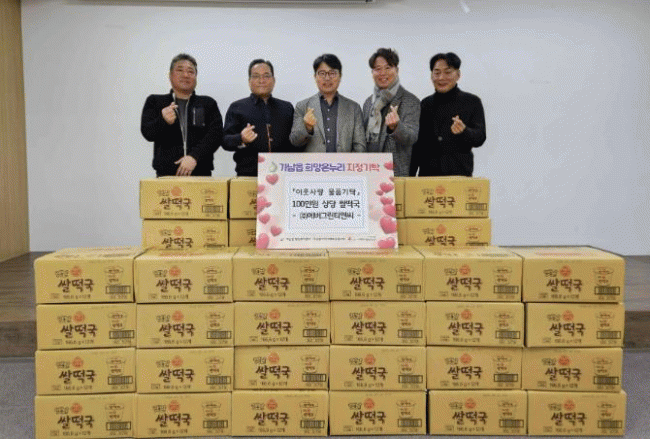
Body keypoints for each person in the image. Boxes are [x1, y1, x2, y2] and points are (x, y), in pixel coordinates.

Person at [141, 53, 223, 176]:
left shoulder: (208, 103)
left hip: (201, 173)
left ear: (196, 77)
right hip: (166, 175)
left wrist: (194, 157)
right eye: (180, 70)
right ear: (170, 75)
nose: (185, 75)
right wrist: (163, 121)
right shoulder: (155, 101)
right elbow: (148, 133)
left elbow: (216, 134)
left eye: (191, 72)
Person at [410, 52, 486, 176]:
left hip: (459, 175)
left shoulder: (472, 102)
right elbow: (417, 145)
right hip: (428, 177)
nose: (441, 78)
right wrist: (408, 177)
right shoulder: (425, 104)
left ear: (458, 75)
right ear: (431, 76)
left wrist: (464, 131)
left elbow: (480, 138)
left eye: (447, 72)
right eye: (437, 73)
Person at [222, 59, 295, 176]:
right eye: (256, 76)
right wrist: (241, 138)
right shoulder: (237, 107)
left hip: (283, 174)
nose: (261, 80)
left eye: (266, 76)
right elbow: (225, 141)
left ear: (274, 80)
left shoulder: (287, 107)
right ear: (249, 81)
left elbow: (295, 141)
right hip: (249, 175)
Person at [290, 54, 366, 153]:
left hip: (344, 163)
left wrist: (347, 163)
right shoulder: (302, 106)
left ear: (340, 76)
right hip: (313, 163)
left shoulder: (354, 108)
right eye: (322, 73)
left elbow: (360, 146)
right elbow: (294, 142)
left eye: (332, 73)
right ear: (315, 77)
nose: (327, 78)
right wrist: (307, 128)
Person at [362, 48, 420, 177]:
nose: (383, 73)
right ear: (372, 72)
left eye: (388, 68)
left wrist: (396, 127)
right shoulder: (369, 103)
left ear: (397, 70)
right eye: (378, 69)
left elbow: (412, 137)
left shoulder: (410, 100)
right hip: (370, 172)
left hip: (396, 174)